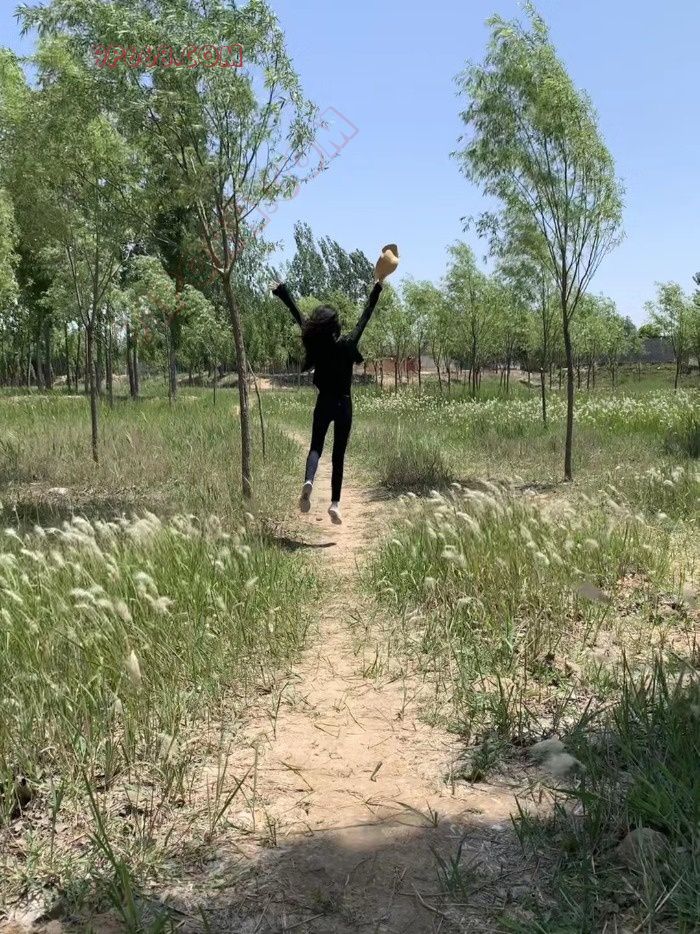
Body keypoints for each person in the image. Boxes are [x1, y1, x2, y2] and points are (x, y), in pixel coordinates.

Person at [271, 244, 399, 524]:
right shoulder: (348, 343)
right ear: (337, 327)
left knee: (316, 447)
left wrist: (284, 293)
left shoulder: (317, 346)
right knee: (338, 454)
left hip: (324, 402)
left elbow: (300, 318)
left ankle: (308, 480)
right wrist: (377, 287)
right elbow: (365, 316)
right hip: (344, 404)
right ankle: (335, 505)